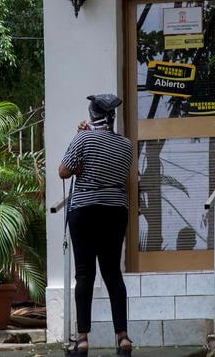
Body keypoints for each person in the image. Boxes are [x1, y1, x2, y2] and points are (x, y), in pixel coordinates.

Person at [58, 94, 133, 356]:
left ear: (92, 115)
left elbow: (63, 171)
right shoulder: (126, 145)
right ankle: (123, 337)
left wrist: (80, 159)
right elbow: (120, 172)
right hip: (115, 211)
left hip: (85, 211)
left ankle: (83, 339)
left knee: (84, 274)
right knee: (113, 273)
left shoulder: (83, 138)